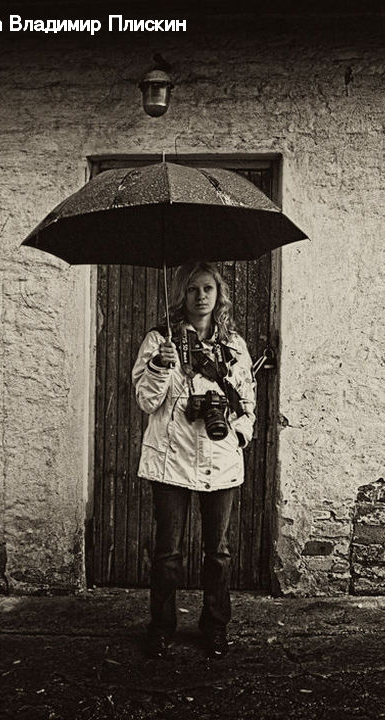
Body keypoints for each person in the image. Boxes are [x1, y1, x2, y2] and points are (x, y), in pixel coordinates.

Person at [131, 261, 257, 659]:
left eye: (207, 289)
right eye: (192, 290)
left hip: (220, 459)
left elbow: (248, 402)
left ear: (218, 295)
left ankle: (215, 627)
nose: (200, 296)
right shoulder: (159, 339)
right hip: (170, 460)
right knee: (167, 554)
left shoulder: (234, 345)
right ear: (181, 296)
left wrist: (238, 433)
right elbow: (146, 401)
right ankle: (161, 627)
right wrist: (160, 365)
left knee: (217, 553)